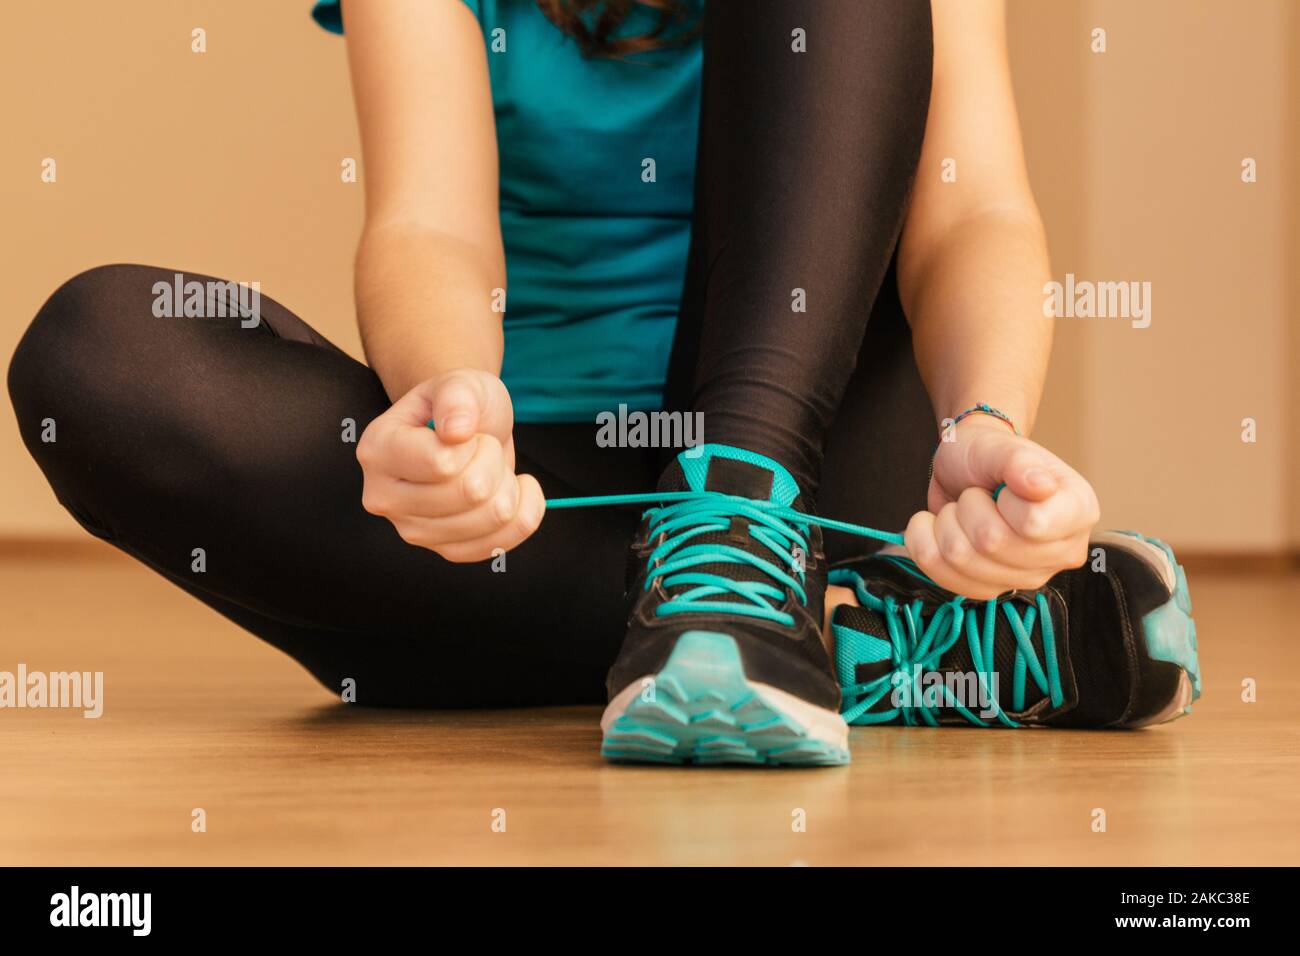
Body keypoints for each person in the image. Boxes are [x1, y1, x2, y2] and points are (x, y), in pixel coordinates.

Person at [7, 0, 1199, 767]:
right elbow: (429, 225)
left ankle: (743, 528)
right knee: (96, 352)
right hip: (546, 500)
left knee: (749, 477)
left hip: (815, 451)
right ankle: (878, 645)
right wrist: (451, 406)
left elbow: (972, 210)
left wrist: (982, 417)